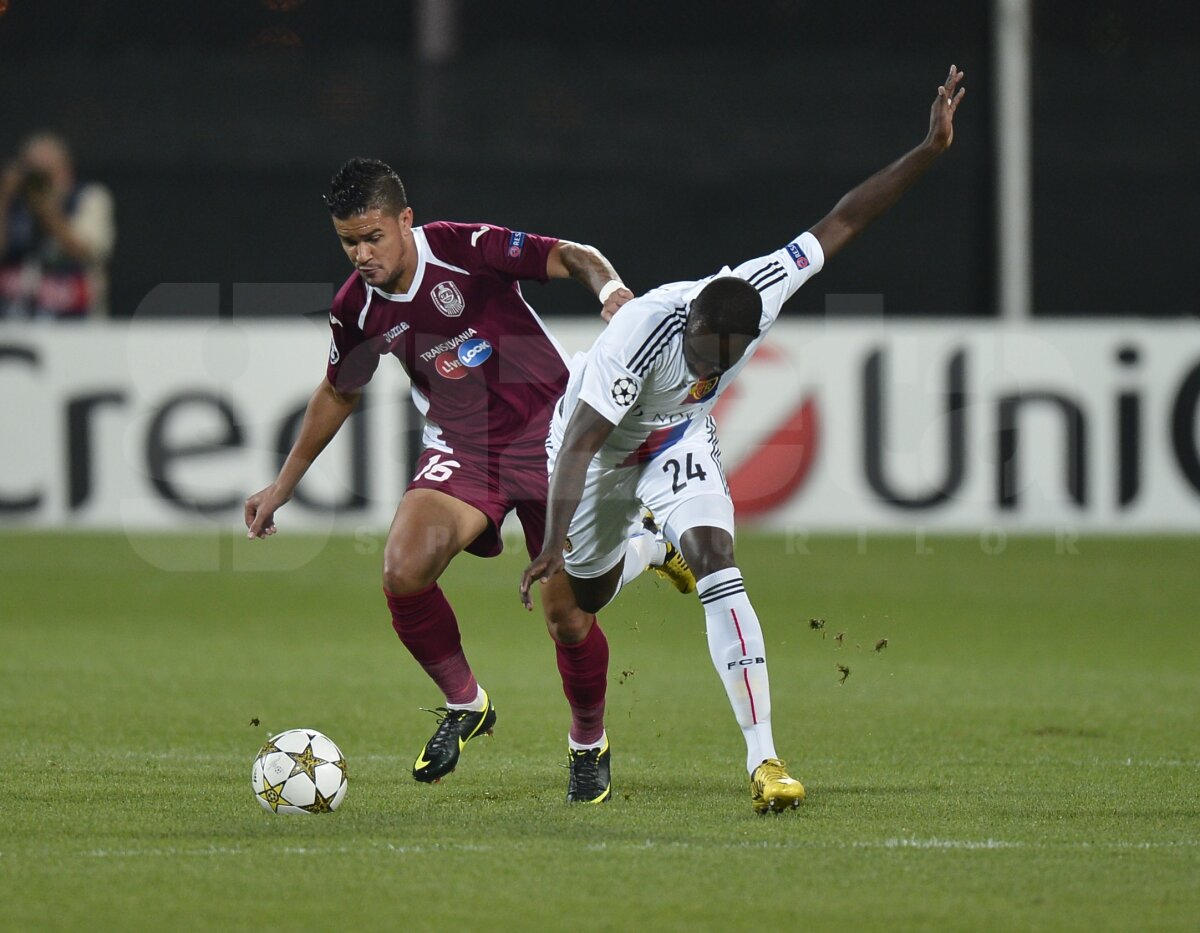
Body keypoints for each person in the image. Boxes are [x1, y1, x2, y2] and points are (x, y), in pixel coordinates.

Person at [522, 66, 967, 812]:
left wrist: (927, 150)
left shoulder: (758, 292)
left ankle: (765, 761)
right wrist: (550, 539)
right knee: (579, 604)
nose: (707, 367)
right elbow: (576, 447)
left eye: (720, 363)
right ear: (690, 322)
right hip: (595, 453)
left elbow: (846, 219)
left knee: (720, 565)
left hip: (677, 442)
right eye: (701, 355)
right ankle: (645, 551)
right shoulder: (639, 339)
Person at [245, 158, 693, 803]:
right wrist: (283, 483)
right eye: (349, 241)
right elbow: (340, 391)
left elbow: (572, 255)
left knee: (567, 619)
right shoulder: (357, 306)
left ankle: (588, 744)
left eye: (373, 237)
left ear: (405, 220)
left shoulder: (461, 248)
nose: (362, 254)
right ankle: (467, 703)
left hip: (556, 438)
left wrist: (611, 293)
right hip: (466, 448)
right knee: (403, 570)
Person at [0, 132, 115, 319]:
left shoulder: (88, 199)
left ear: (65, 170)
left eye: (47, 173)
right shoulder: (12, 207)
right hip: (14, 318)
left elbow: (87, 251)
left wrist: (46, 210)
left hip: (75, 322)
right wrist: (4, 197)